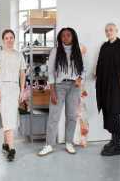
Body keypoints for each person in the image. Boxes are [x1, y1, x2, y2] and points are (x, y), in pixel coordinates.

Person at [38, 27, 84, 156]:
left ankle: (69, 142)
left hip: (74, 87)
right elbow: (51, 72)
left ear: (73, 36)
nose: (66, 37)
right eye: (63, 35)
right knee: (54, 116)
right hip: (59, 86)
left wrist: (80, 78)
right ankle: (49, 145)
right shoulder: (55, 51)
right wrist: (52, 91)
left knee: (71, 116)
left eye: (68, 35)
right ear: (60, 37)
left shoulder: (78, 50)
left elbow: (83, 69)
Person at [96, 23, 120, 156]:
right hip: (105, 86)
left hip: (117, 87)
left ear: (116, 31)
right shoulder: (104, 46)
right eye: (106, 30)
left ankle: (117, 146)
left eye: (111, 30)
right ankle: (113, 140)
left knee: (114, 113)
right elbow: (100, 63)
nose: (108, 32)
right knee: (107, 112)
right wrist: (97, 73)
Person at [0, 29, 26, 161]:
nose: (9, 40)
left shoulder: (19, 55)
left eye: (11, 37)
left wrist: (22, 90)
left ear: (14, 39)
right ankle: (12, 149)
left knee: (9, 116)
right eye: (7, 38)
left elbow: (22, 74)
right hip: (3, 88)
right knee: (8, 117)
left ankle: (6, 144)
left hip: (15, 88)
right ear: (3, 40)